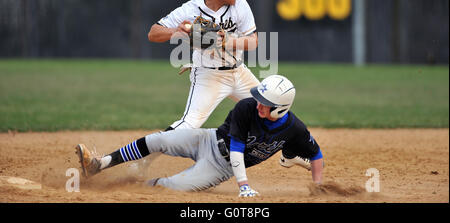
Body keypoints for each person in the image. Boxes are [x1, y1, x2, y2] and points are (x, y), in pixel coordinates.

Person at [75, 75, 324, 197]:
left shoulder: (295, 129)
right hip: (207, 139)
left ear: (281, 109)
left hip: (220, 167)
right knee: (159, 140)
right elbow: (237, 146)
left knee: (172, 187)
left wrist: (318, 186)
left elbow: (316, 153)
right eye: (259, 97)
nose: (258, 104)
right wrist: (244, 186)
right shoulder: (247, 107)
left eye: (265, 103)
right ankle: (101, 164)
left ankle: (131, 187)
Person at [147, 0, 260, 131]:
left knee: (272, 107)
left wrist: (227, 41)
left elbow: (253, 41)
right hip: (209, 75)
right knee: (188, 125)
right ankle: (142, 156)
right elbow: (153, 33)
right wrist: (176, 31)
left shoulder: (240, 4)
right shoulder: (191, 9)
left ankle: (290, 155)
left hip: (239, 72)